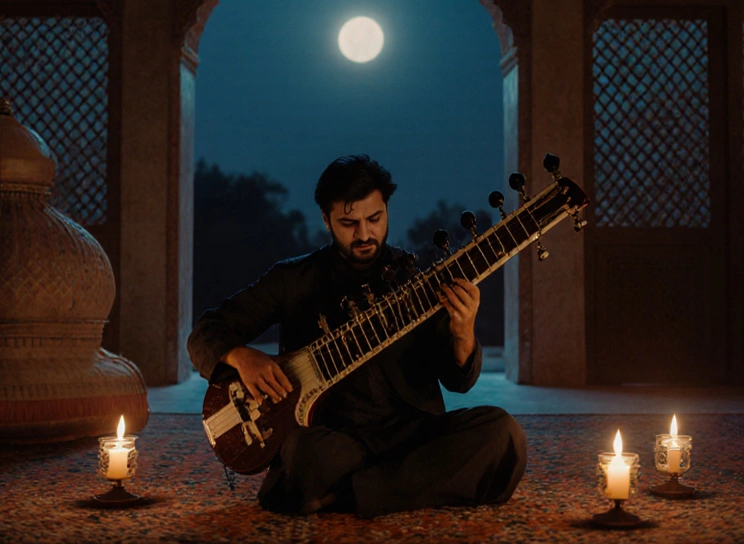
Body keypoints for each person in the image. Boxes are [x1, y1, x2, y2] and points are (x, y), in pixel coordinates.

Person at [188, 154, 526, 518]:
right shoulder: (293, 280)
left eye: (374, 219)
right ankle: (398, 487)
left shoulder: (417, 281)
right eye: (349, 223)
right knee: (304, 456)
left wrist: (463, 332)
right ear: (326, 219)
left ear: (387, 210)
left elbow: (458, 380)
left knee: (503, 436)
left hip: (413, 433)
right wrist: (240, 356)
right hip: (338, 441)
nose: (364, 234)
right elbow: (206, 332)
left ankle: (345, 496)